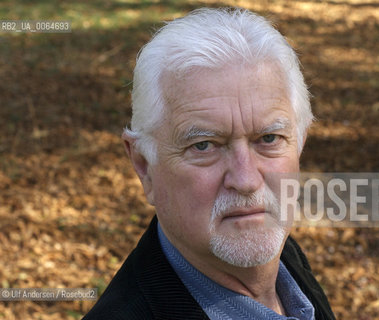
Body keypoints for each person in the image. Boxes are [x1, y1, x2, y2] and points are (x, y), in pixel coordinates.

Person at [84, 7, 335, 320]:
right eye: (204, 146)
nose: (246, 180)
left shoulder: (287, 261)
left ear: (300, 141)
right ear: (144, 164)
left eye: (269, 138)